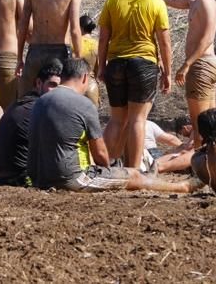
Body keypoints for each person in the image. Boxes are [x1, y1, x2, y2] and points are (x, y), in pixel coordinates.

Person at [27, 58, 194, 193]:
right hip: (70, 179)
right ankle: (181, 187)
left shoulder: (39, 102)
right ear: (85, 77)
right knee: (134, 175)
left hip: (39, 178)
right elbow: (99, 153)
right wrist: (109, 169)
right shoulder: (83, 104)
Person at [96, 0, 173, 168]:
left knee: (117, 119)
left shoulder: (113, 0)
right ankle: (134, 169)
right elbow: (164, 42)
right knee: (138, 120)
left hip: (117, 61)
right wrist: (167, 72)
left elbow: (103, 38)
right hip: (143, 63)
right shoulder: (156, 2)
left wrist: (101, 66)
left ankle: (104, 165)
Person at [16, 0, 84, 97]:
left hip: (35, 51)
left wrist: (20, 57)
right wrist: (79, 59)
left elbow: (23, 26)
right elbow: (74, 29)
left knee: (27, 99)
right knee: (58, 100)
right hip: (59, 52)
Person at [165, 0, 216, 144]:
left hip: (201, 65)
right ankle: (212, 164)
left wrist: (187, 64)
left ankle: (202, 167)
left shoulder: (206, 3)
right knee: (210, 124)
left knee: (200, 126)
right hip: (204, 65)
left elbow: (208, 38)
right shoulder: (195, 1)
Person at [0, 57, 62, 186]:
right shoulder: (39, 109)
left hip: (4, 177)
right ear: (39, 83)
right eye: (52, 85)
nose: (57, 92)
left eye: (60, 87)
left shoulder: (23, 102)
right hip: (19, 180)